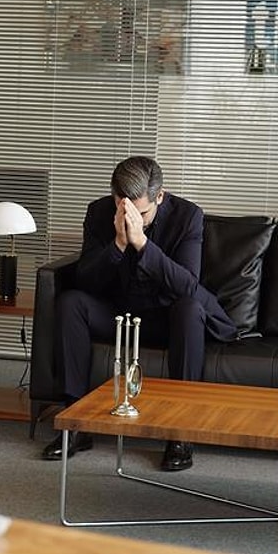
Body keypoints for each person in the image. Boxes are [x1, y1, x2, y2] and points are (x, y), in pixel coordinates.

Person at [41, 156, 237, 471]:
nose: (133, 219)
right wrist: (119, 244)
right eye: (124, 209)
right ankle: (76, 422)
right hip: (118, 314)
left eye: (141, 213)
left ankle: (181, 432)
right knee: (71, 302)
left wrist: (142, 243)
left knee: (190, 309)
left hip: (165, 316)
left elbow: (187, 284)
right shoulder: (98, 212)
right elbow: (85, 280)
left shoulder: (188, 216)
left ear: (160, 196)